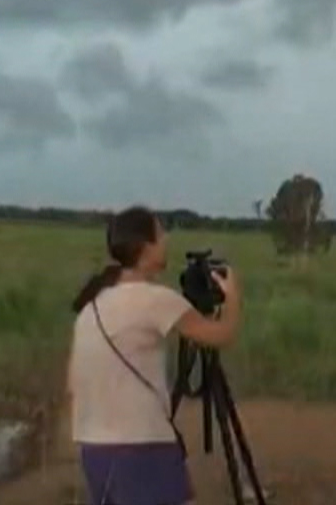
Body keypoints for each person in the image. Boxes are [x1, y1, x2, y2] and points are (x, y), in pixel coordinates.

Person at [67, 205, 243, 505]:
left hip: (93, 449)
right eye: (161, 233)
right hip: (140, 447)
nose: (167, 239)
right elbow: (222, 335)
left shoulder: (93, 304)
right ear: (145, 246)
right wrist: (232, 297)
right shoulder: (156, 300)